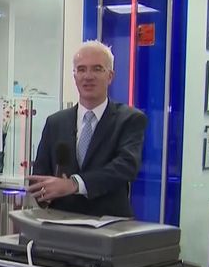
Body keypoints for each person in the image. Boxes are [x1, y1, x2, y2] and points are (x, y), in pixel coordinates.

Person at [28, 40, 148, 217]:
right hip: (61, 223)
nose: (88, 76)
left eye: (97, 69)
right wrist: (46, 194)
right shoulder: (55, 122)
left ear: (110, 76)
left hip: (109, 225)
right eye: (81, 69)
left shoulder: (129, 119)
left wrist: (74, 184)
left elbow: (126, 166)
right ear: (75, 76)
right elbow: (39, 177)